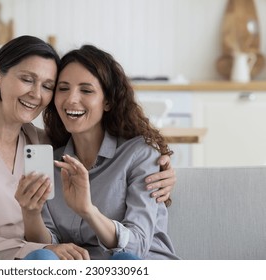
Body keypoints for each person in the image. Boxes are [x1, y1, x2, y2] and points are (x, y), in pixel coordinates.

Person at [0, 35, 175, 260]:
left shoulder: (46, 145)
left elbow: (116, 156)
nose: (36, 94)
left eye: (47, 86)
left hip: (37, 262)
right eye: (27, 79)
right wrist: (41, 250)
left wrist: (163, 170)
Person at [16, 45, 180, 260]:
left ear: (108, 101)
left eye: (86, 90)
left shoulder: (140, 154)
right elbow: (50, 243)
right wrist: (30, 213)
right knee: (40, 257)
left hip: (138, 263)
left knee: (125, 261)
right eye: (63, 88)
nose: (71, 99)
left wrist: (88, 210)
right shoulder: (52, 161)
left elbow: (137, 246)